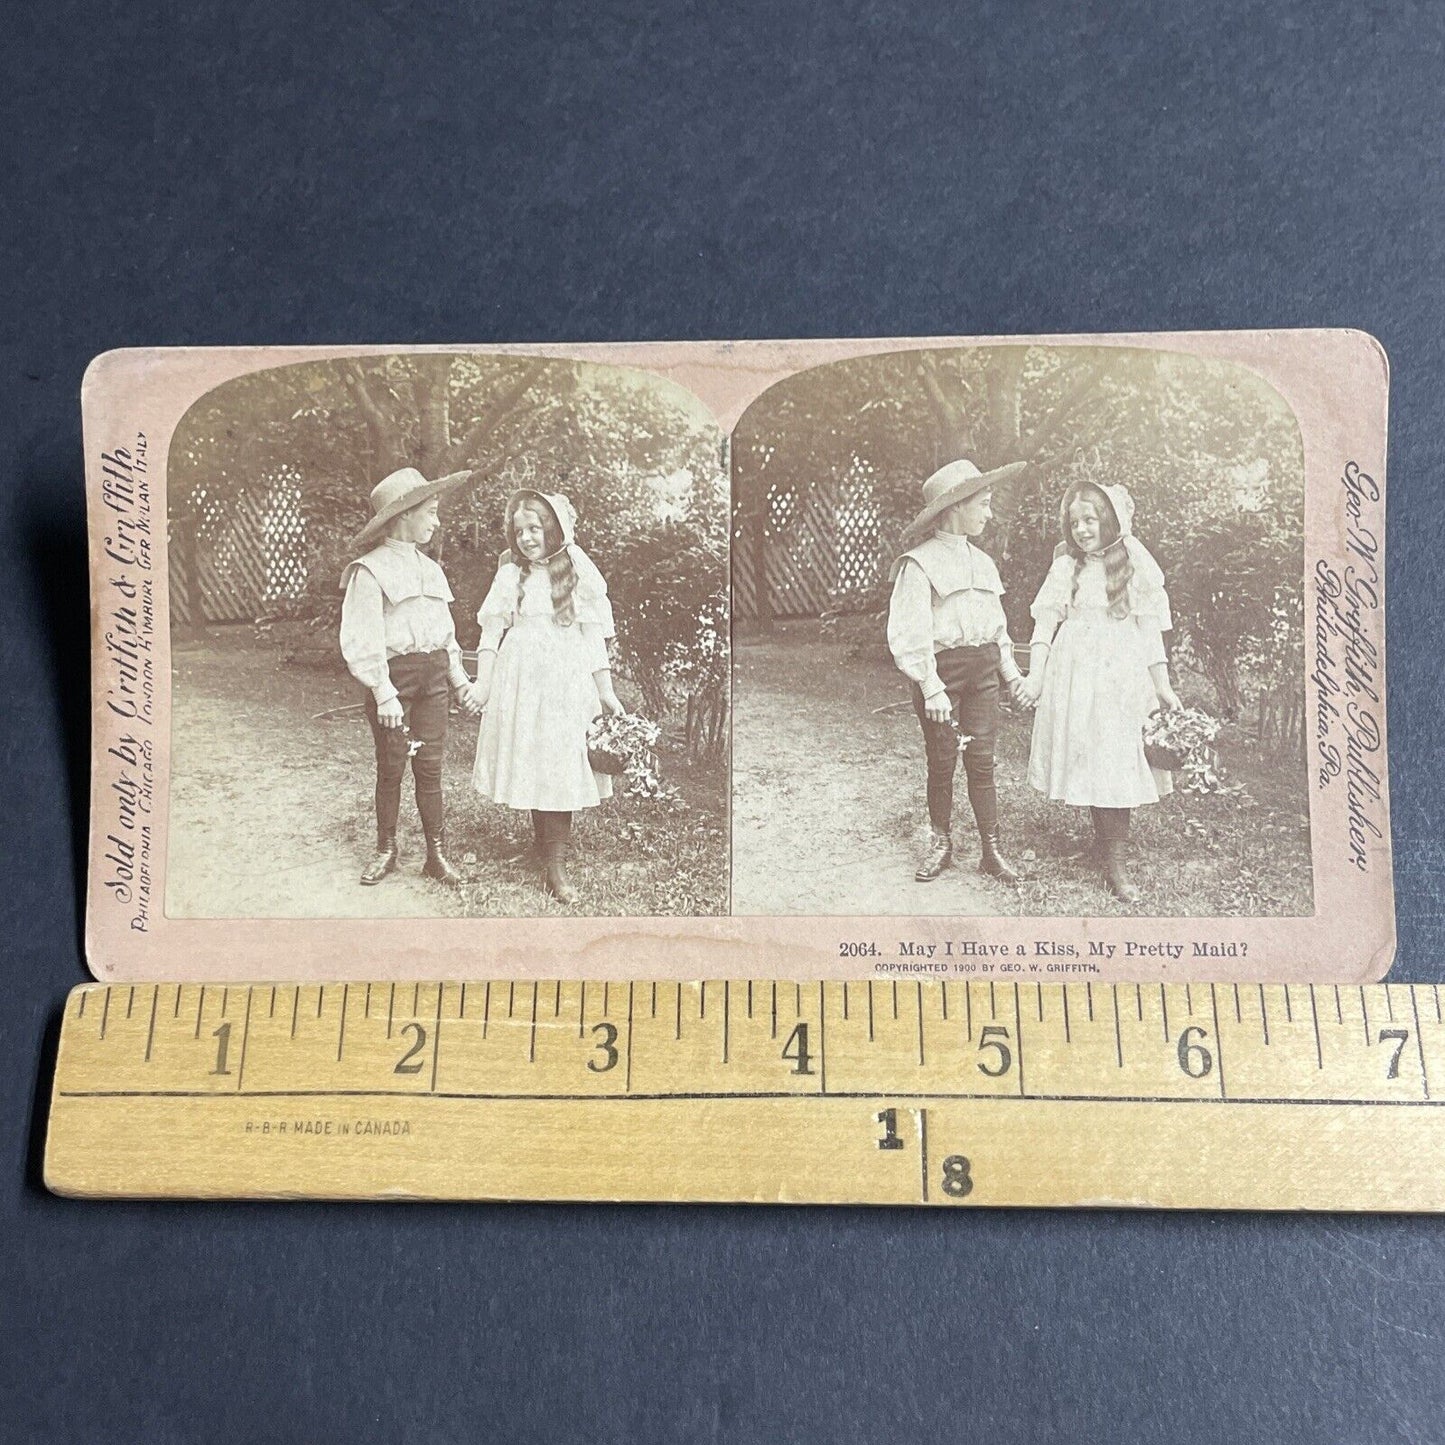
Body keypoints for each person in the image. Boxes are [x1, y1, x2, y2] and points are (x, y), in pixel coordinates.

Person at [1017, 479, 1180, 902]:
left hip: (1119, 674)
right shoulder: (1066, 566)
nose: (1082, 529)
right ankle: (1102, 842)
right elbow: (1044, 621)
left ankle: (1117, 861)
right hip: (1074, 672)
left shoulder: (1134, 565)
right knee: (1089, 749)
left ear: (1110, 520)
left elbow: (1149, 630)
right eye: (1075, 522)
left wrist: (1162, 686)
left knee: (1115, 753)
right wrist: (1036, 676)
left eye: (1090, 519)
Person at [471, 489, 625, 904]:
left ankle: (555, 862)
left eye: (535, 528)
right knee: (534, 754)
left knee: (560, 756)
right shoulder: (510, 574)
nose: (526, 537)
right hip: (520, 676)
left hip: (564, 676)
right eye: (519, 530)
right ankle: (542, 843)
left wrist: (605, 690)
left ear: (553, 530)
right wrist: (483, 685)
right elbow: (490, 631)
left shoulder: (574, 570)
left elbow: (593, 634)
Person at [887, 457, 1031, 887]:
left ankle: (991, 850)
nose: (989, 513)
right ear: (955, 509)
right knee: (943, 760)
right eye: (983, 504)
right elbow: (909, 632)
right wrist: (930, 687)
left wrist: (1012, 674)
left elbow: (998, 629)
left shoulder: (984, 563)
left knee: (982, 761)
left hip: (983, 672)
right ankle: (941, 842)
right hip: (942, 676)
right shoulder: (919, 565)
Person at [340, 465, 483, 888]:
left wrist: (460, 682)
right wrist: (383, 693)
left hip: (433, 680)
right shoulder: (369, 571)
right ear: (404, 515)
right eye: (431, 512)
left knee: (432, 768)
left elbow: (446, 637)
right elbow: (362, 637)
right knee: (391, 765)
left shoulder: (431, 570)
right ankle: (387, 848)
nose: (436, 522)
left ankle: (436, 855)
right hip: (394, 682)